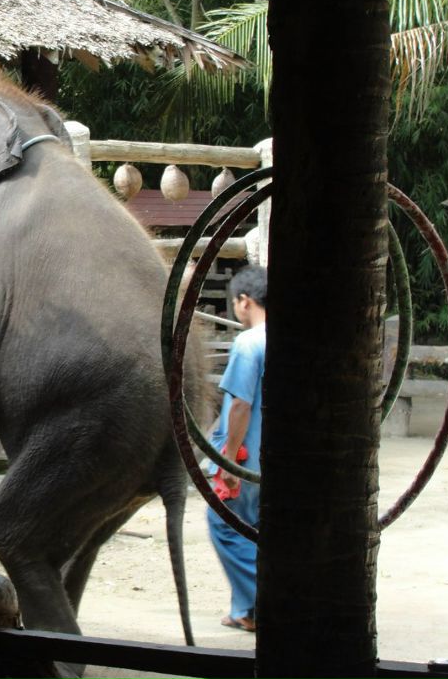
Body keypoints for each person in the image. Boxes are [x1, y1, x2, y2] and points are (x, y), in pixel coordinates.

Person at [207, 265, 267, 633]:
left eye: (235, 304)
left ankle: (259, 604)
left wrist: (228, 458)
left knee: (224, 524)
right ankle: (245, 606)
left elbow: (241, 404)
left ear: (244, 301)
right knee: (257, 530)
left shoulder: (249, 343)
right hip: (275, 460)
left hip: (248, 458)